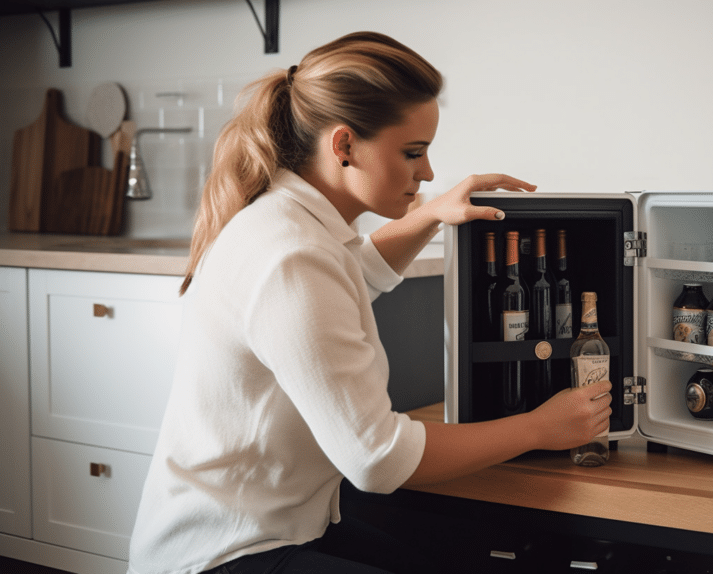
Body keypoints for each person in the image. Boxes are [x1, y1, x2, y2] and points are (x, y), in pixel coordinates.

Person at [127, 31, 612, 574]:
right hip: (224, 552)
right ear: (344, 146)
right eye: (412, 153)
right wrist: (539, 428)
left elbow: (351, 274)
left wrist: (427, 216)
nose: (427, 173)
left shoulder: (291, 225)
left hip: (285, 525)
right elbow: (377, 459)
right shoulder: (291, 254)